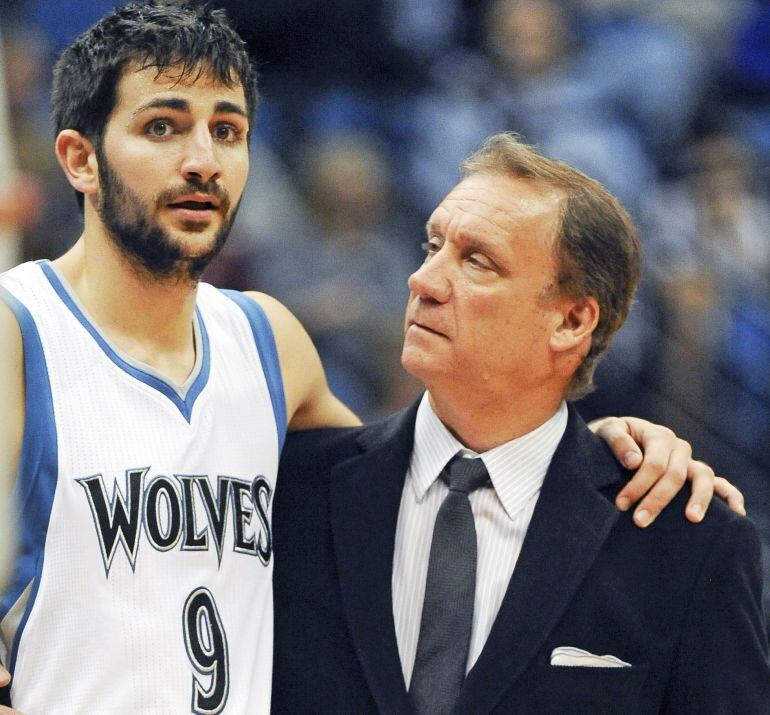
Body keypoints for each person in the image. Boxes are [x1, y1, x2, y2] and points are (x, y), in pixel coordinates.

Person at [0, 2, 744, 713]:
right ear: (79, 158)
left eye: (227, 131)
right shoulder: (18, 329)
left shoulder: (269, 345)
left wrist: (613, 447)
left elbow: (416, 472)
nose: (202, 160)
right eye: (163, 126)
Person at [271, 133, 770, 714]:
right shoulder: (289, 487)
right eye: (431, 247)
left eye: (477, 261)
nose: (424, 281)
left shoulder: (686, 540)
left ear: (572, 321)